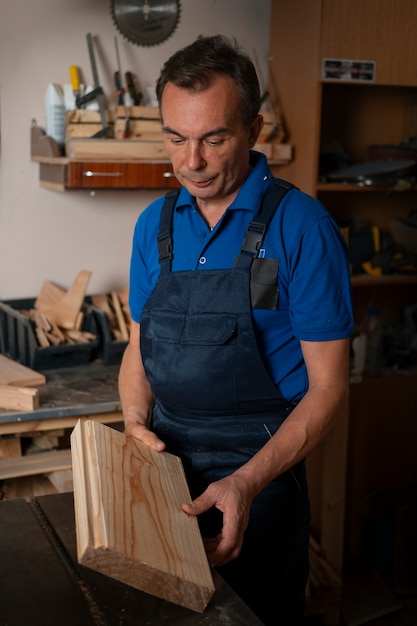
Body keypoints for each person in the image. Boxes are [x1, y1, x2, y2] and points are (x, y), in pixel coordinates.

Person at [119, 34, 353, 625]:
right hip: (169, 469)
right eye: (175, 139)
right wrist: (133, 425)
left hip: (261, 478)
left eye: (213, 139)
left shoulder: (304, 227)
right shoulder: (154, 226)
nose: (190, 162)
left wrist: (246, 484)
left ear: (255, 128)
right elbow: (138, 348)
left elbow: (328, 388)